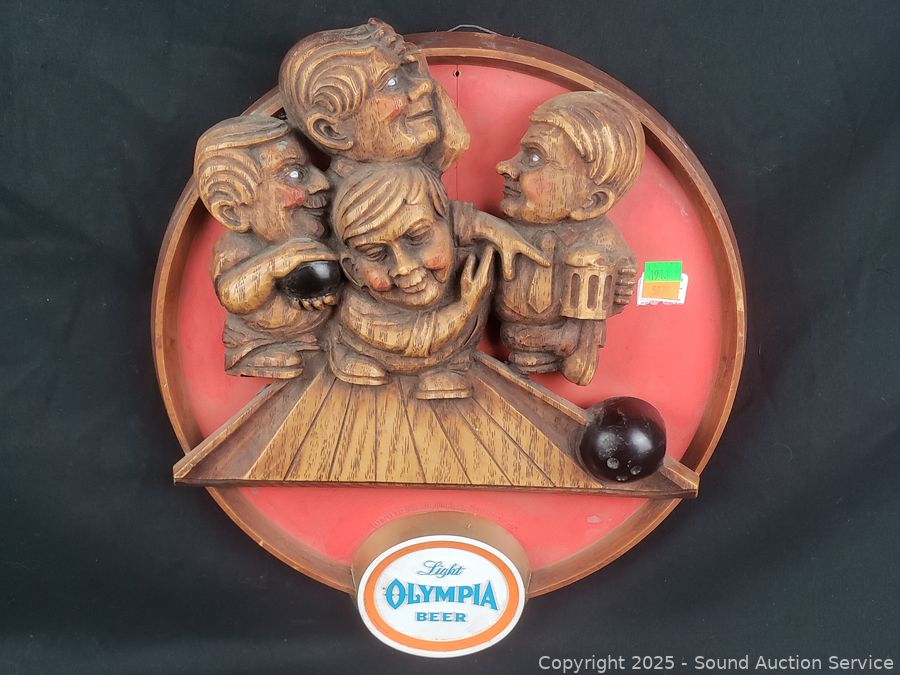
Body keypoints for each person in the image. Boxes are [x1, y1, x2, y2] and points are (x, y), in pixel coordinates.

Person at [329, 162, 542, 399]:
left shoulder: (462, 253)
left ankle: (450, 366)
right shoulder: (357, 309)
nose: (403, 267)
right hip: (380, 352)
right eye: (376, 254)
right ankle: (352, 357)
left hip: (451, 353)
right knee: (362, 364)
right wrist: (465, 306)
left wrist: (499, 232)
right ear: (352, 270)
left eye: (417, 237)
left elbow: (460, 219)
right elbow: (418, 339)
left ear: (449, 229)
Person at [494, 91, 643, 385]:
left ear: (591, 202)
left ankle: (575, 345)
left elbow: (619, 266)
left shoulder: (596, 240)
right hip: (511, 338)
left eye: (534, 158)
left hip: (563, 339)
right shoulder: (501, 230)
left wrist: (619, 284)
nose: (505, 166)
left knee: (589, 262)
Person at [194, 115, 336, 378]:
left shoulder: (325, 235)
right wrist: (274, 264)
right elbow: (233, 294)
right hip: (260, 338)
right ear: (232, 211)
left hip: (317, 336)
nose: (323, 183)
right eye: (295, 174)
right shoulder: (234, 248)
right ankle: (258, 356)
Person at [279, 18, 468, 180]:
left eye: (411, 71)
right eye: (392, 82)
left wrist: (435, 159)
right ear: (330, 131)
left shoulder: (403, 181)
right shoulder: (370, 197)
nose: (424, 86)